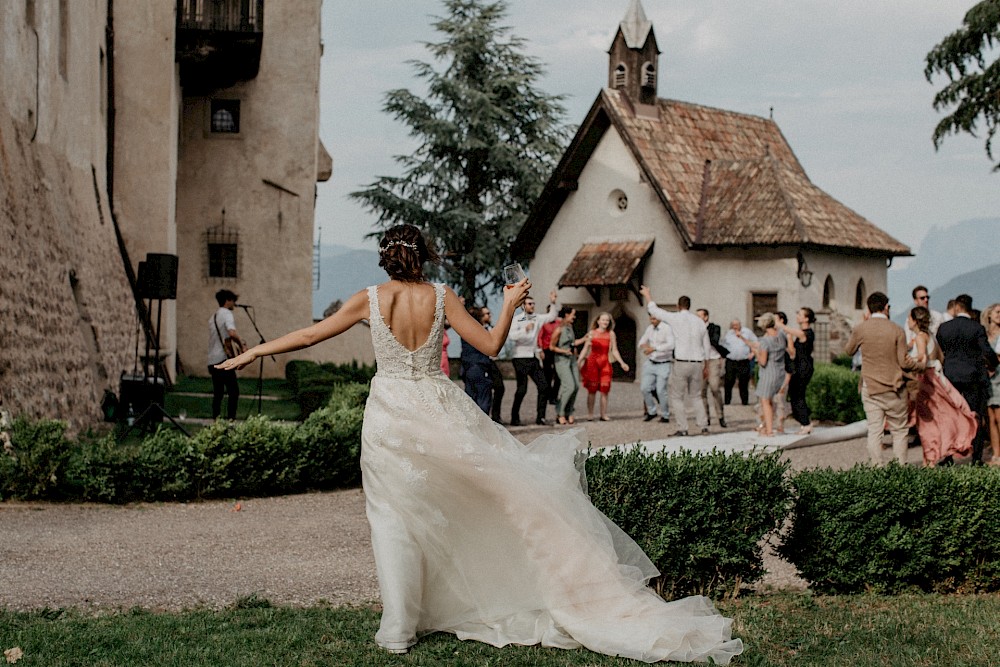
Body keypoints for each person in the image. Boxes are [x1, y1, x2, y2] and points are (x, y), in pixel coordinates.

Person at [216, 223, 743, 662]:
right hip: (439, 407)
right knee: (489, 500)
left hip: (391, 415)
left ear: (385, 262)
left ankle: (399, 629)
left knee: (393, 519)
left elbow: (310, 335)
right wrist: (510, 302)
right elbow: (491, 345)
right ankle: (495, 593)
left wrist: (250, 355)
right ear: (423, 257)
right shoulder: (443, 296)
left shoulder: (369, 299)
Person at [845, 292, 924, 464]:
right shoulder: (897, 330)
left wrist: (861, 326)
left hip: (870, 386)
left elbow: (849, 351)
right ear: (886, 307)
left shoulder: (861, 329)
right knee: (900, 431)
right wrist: (921, 366)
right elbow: (903, 362)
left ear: (868, 308)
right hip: (894, 388)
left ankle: (877, 469)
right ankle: (899, 470)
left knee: (874, 430)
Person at [906, 306, 976, 466]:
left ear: (915, 321)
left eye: (909, 319)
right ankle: (937, 453)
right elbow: (941, 357)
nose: (908, 322)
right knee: (941, 415)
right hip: (937, 378)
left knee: (925, 422)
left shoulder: (919, 337)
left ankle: (929, 460)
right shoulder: (930, 335)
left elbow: (922, 358)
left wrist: (909, 361)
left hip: (925, 380)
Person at [639, 287, 711, 437]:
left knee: (677, 396)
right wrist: (707, 366)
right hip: (698, 362)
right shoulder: (699, 322)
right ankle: (703, 425)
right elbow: (706, 345)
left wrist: (648, 295)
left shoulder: (676, 318)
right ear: (690, 306)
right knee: (696, 395)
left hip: (682, 361)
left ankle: (683, 428)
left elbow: (656, 311)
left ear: (678, 306)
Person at [936, 294, 999, 464]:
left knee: (950, 416)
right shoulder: (976, 328)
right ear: (970, 309)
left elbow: (941, 347)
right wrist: (993, 364)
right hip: (973, 376)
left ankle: (948, 456)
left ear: (956, 307)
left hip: (951, 376)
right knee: (975, 415)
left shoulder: (944, 328)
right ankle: (976, 457)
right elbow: (986, 351)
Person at [507, 291, 558, 426]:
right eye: (530, 304)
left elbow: (551, 316)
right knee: (522, 389)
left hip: (532, 357)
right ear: (523, 306)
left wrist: (552, 302)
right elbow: (512, 336)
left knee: (544, 386)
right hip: (520, 357)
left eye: (533, 304)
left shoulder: (536, 317)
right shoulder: (517, 319)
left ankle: (540, 417)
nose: (532, 306)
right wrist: (525, 330)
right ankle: (514, 417)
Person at [578, 312, 630, 421]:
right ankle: (590, 414)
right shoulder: (592, 333)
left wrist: (622, 363)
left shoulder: (611, 334)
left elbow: (614, 350)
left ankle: (603, 414)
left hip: (605, 362)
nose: (605, 322)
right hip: (592, 362)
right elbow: (586, 349)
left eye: (607, 320)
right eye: (603, 320)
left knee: (605, 389)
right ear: (598, 321)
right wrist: (579, 361)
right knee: (592, 390)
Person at [207, 289, 245, 419]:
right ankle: (231, 421)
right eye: (233, 300)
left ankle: (216, 421)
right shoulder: (227, 314)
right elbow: (231, 333)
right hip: (222, 359)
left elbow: (225, 339)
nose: (234, 303)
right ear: (228, 300)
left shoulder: (213, 317)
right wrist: (242, 345)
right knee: (234, 392)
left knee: (218, 393)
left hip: (212, 359)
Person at [749, 313, 786, 437]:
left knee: (765, 401)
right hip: (780, 370)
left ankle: (768, 429)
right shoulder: (781, 335)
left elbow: (763, 362)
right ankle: (767, 427)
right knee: (771, 400)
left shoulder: (765, 341)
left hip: (768, 372)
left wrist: (756, 353)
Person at [549, 307, 587, 425]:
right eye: (573, 315)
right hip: (561, 360)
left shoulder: (570, 328)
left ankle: (569, 411)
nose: (574, 317)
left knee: (576, 386)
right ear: (566, 315)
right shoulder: (558, 330)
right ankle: (560, 413)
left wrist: (585, 339)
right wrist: (563, 351)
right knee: (569, 386)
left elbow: (572, 343)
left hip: (572, 360)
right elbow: (551, 347)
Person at [782, 308, 817, 435]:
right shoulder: (799, 333)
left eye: (800, 314)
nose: (797, 316)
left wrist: (779, 324)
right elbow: (793, 352)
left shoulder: (807, 333)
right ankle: (805, 420)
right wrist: (789, 340)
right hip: (799, 367)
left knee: (798, 395)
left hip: (804, 367)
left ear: (806, 319)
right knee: (793, 394)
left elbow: (799, 334)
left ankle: (806, 423)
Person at [460, 306, 496, 416]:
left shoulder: (464, 331)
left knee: (471, 399)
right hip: (480, 366)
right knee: (483, 398)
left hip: (467, 367)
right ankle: (483, 426)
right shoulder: (481, 331)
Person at [639, 314, 674, 423]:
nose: (652, 321)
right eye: (650, 318)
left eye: (654, 318)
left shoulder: (667, 328)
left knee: (660, 390)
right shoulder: (650, 328)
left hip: (663, 363)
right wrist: (644, 346)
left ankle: (665, 414)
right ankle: (651, 411)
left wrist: (654, 349)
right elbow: (642, 341)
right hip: (651, 362)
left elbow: (671, 345)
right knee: (645, 388)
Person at [697, 309, 727, 428]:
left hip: (713, 359)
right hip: (700, 360)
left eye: (700, 316)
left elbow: (714, 340)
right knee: (702, 390)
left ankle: (720, 415)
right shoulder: (694, 329)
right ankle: (706, 417)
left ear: (706, 317)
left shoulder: (714, 328)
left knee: (715, 387)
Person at [722, 320, 757, 406]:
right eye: (733, 325)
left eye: (736, 325)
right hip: (731, 360)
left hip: (743, 360)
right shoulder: (728, 333)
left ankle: (745, 402)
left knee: (743, 382)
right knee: (729, 381)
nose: (735, 326)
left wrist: (752, 353)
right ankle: (727, 402)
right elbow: (723, 345)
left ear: (740, 325)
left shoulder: (747, 332)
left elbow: (755, 343)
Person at [982, 303, 1000, 465]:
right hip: (988, 378)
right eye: (997, 312)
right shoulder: (985, 335)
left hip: (999, 377)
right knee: (990, 419)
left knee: (999, 417)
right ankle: (996, 453)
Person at [537, 316, 561, 406]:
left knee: (558, 374)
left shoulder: (559, 323)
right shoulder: (544, 324)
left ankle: (554, 396)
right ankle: (549, 395)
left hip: (556, 350)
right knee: (548, 375)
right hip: (547, 350)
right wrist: (541, 350)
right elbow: (540, 337)